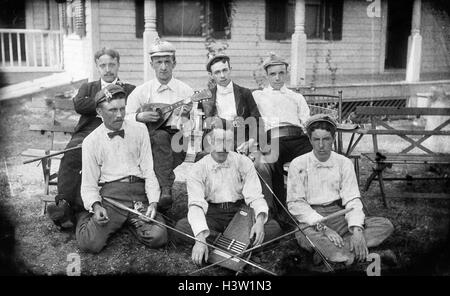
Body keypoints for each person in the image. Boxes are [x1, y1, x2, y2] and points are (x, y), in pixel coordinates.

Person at [286, 114, 394, 267]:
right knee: (304, 234)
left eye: (326, 139)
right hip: (312, 219)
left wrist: (357, 230)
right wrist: (324, 229)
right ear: (310, 140)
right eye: (316, 140)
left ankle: (338, 252)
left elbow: (352, 200)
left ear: (333, 139)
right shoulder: (298, 164)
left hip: (339, 215)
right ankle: (352, 251)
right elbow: (296, 204)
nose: (321, 145)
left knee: (385, 225)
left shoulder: (344, 163)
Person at [48, 48, 136, 229]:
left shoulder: (130, 89)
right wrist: (107, 100)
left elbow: (132, 109)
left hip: (114, 131)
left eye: (112, 64)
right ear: (97, 67)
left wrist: (99, 103)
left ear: (118, 65)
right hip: (87, 131)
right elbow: (79, 104)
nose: (108, 69)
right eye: (103, 65)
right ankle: (64, 204)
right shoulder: (88, 87)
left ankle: (80, 207)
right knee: (72, 153)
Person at [76, 84, 167, 253]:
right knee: (90, 243)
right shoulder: (90, 141)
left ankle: (129, 221)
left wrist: (153, 202)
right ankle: (84, 216)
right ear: (99, 112)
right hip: (111, 197)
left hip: (139, 193)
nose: (119, 115)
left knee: (158, 237)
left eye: (122, 109)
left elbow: (149, 170)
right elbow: (89, 183)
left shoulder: (140, 130)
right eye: (112, 110)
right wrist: (96, 207)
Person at [172, 128, 282, 266]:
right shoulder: (197, 168)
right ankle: (241, 248)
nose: (223, 147)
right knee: (182, 227)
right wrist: (200, 238)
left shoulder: (244, 162)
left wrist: (259, 221)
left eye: (228, 141)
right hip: (212, 214)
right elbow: (196, 205)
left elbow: (255, 196)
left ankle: (220, 247)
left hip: (240, 213)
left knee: (273, 227)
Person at [126, 38, 193, 212]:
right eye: (159, 62)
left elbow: (194, 125)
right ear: (152, 64)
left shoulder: (185, 91)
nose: (163, 67)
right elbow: (125, 116)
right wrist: (140, 116)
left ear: (174, 63)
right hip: (146, 139)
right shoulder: (141, 91)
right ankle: (164, 190)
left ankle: (160, 191)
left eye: (167, 62)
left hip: (178, 140)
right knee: (158, 137)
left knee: (161, 137)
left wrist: (185, 117)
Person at [251, 52, 312, 224]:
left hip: (298, 138)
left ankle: (315, 204)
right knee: (270, 161)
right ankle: (280, 210)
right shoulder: (258, 96)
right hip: (274, 139)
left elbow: (306, 121)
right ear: (266, 75)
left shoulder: (296, 97)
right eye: (272, 74)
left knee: (315, 159)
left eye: (281, 73)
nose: (277, 78)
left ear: (286, 73)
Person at [201, 53, 263, 153]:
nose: (222, 75)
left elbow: (258, 121)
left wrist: (251, 141)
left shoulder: (244, 93)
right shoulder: (207, 98)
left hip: (241, 140)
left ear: (230, 69)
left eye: (225, 70)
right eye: (217, 72)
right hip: (218, 141)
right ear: (211, 75)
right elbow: (204, 126)